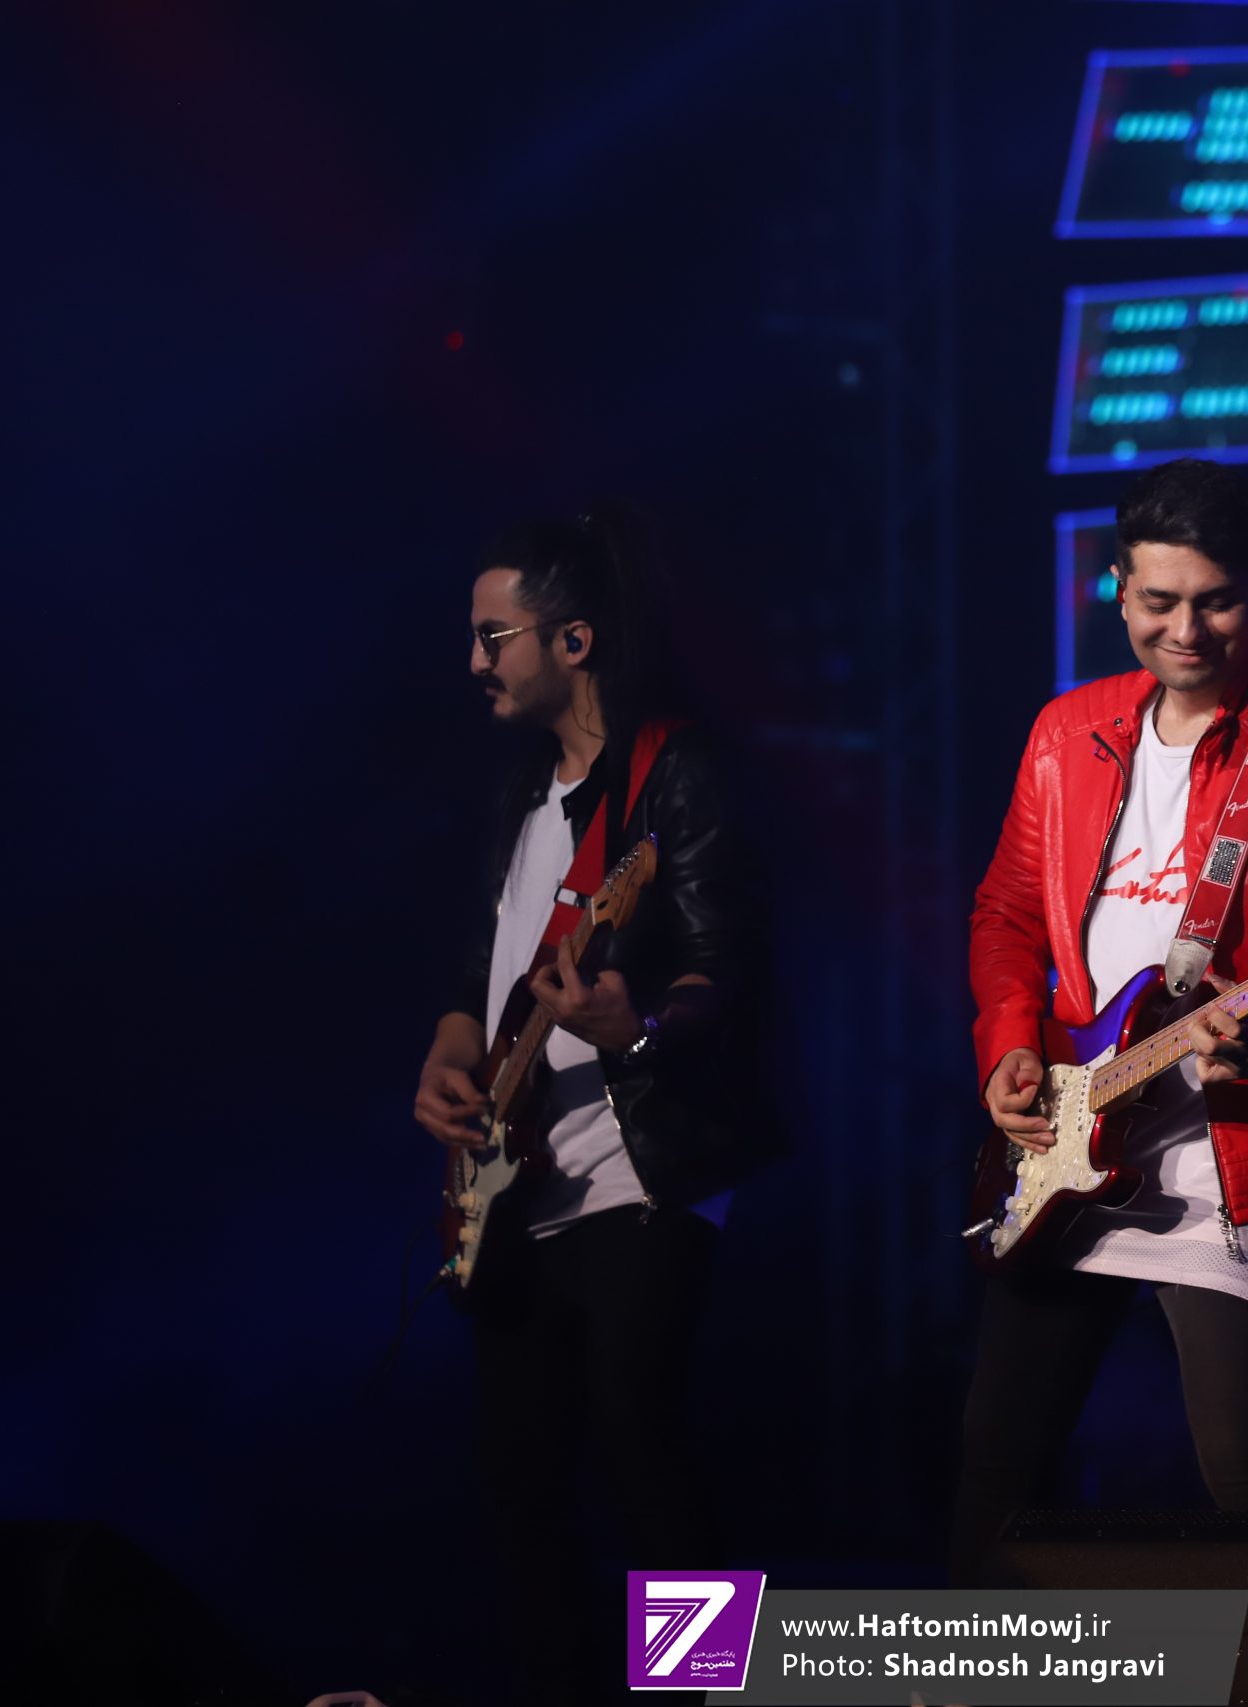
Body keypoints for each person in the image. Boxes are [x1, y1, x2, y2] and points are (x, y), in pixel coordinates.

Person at [951, 457, 1248, 1584]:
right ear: (1117, 589)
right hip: (1069, 1140)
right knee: (993, 1477)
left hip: (1228, 1157)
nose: (1186, 632)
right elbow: (1006, 912)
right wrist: (1010, 1046)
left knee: (1247, 1474)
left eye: (1216, 602)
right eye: (1159, 601)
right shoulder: (1067, 732)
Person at [410, 513, 770, 1700]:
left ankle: (708, 1692)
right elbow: (481, 968)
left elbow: (726, 965)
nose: (473, 662)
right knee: (520, 1479)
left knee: (641, 1446)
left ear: (573, 640)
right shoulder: (522, 791)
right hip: (518, 1184)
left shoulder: (679, 772)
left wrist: (643, 1022)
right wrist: (450, 1055)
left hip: (639, 1169)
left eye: (492, 637)